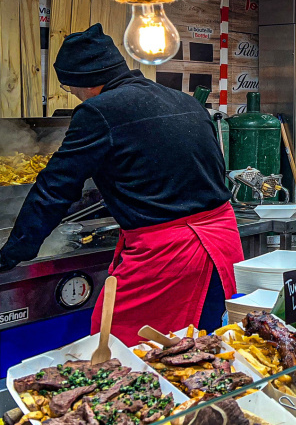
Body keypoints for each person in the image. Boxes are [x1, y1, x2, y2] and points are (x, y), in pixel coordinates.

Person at [0, 24, 243, 345]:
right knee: (207, 349)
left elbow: (54, 189)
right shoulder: (184, 101)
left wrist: (11, 254)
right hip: (223, 245)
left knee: (128, 353)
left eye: (70, 87)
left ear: (84, 82)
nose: (74, 95)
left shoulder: (97, 112)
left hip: (169, 257)